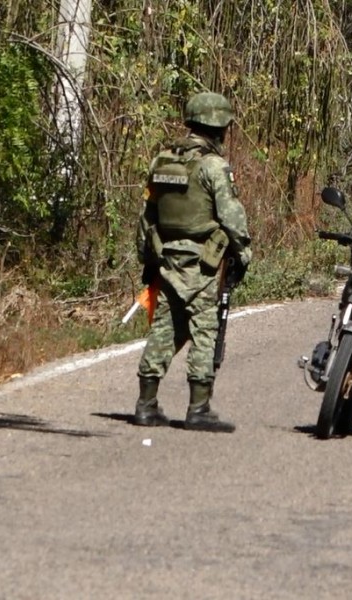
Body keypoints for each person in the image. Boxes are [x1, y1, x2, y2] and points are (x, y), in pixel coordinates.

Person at [133, 91, 252, 433]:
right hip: (201, 262)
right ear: (219, 127)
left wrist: (148, 257)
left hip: (166, 258)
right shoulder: (214, 166)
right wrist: (244, 251)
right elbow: (231, 215)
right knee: (204, 328)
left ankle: (146, 403)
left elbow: (147, 215)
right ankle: (198, 407)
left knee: (166, 328)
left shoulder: (162, 161)